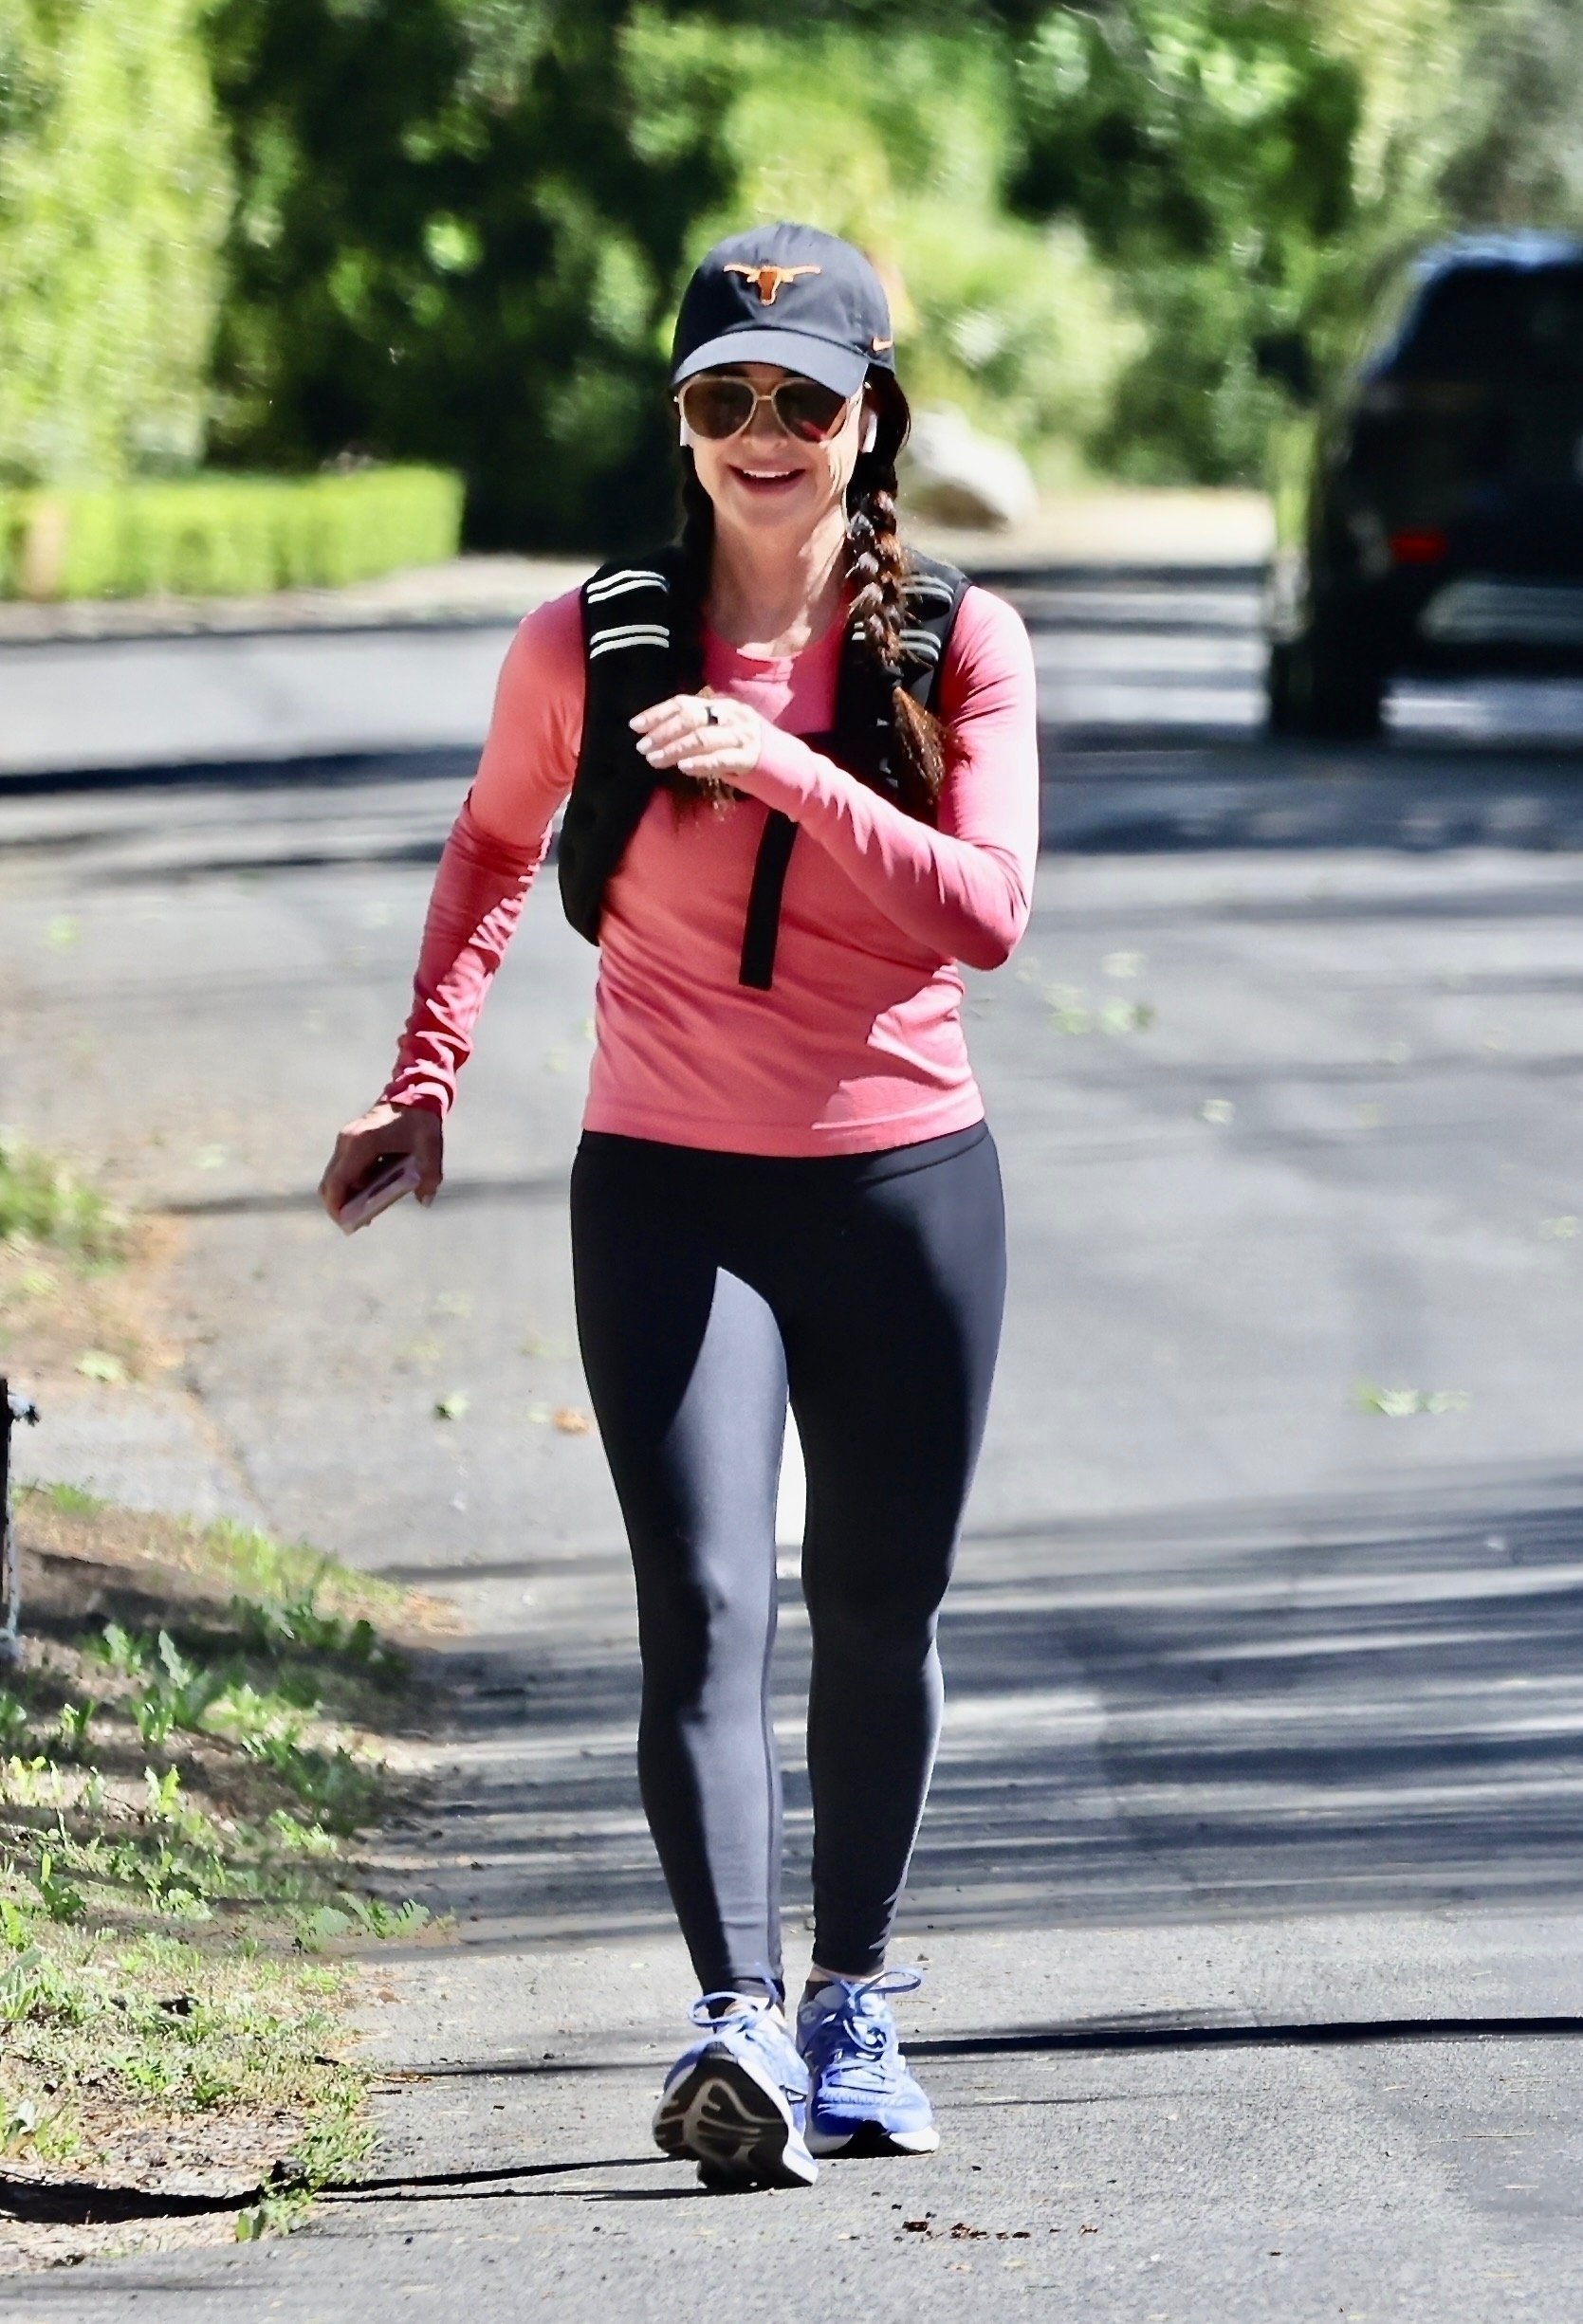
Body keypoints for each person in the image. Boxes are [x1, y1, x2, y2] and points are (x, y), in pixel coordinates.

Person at [320, 221, 1039, 2192]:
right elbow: (491, 847)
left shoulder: (955, 640)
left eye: (802, 397)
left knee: (875, 1608)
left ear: (869, 419)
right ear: (682, 420)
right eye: (723, 397)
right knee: (702, 1606)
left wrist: (788, 770)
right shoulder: (588, 641)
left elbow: (986, 912)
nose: (761, 432)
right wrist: (424, 1074)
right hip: (666, 1194)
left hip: (904, 1188)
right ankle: (736, 2019)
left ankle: (851, 1999)